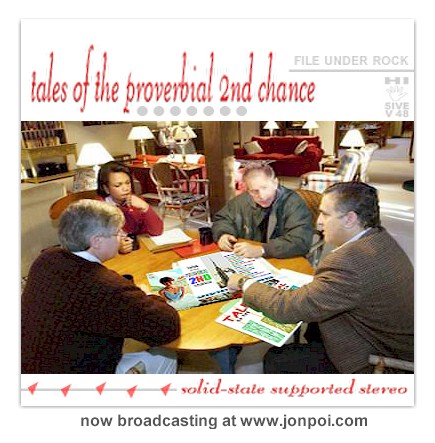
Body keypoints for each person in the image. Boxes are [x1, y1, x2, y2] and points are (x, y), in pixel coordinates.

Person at [227, 182, 414, 374]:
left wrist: (244, 282)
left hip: (375, 359)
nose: (318, 222)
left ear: (350, 219)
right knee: (311, 326)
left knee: (277, 359)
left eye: (325, 214)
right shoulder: (378, 237)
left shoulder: (350, 263)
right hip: (384, 340)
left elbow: (287, 308)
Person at [21, 199, 180, 374]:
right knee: (165, 356)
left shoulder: (46, 258)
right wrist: (149, 296)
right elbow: (168, 327)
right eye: (117, 232)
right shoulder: (106, 288)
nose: (122, 235)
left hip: (31, 366)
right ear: (96, 241)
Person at [211, 162, 313, 259]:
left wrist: (262, 250)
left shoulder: (294, 203)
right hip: (250, 259)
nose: (261, 196)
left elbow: (300, 241)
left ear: (275, 183)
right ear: (247, 189)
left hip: (284, 258)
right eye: (254, 191)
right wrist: (223, 234)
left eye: (264, 188)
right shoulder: (242, 200)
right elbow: (223, 219)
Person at [97, 161, 164, 254]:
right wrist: (116, 246)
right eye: (118, 185)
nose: (126, 188)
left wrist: (145, 207)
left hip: (139, 251)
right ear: (106, 188)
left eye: (128, 183)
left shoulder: (136, 201)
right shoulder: (98, 208)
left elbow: (157, 231)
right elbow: (96, 244)